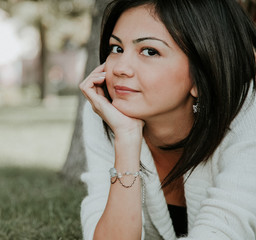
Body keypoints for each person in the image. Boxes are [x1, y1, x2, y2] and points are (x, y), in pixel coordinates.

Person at [79, 0, 256, 239]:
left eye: (150, 51)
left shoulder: (247, 114)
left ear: (202, 72)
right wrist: (127, 138)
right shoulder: (105, 111)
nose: (120, 68)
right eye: (117, 48)